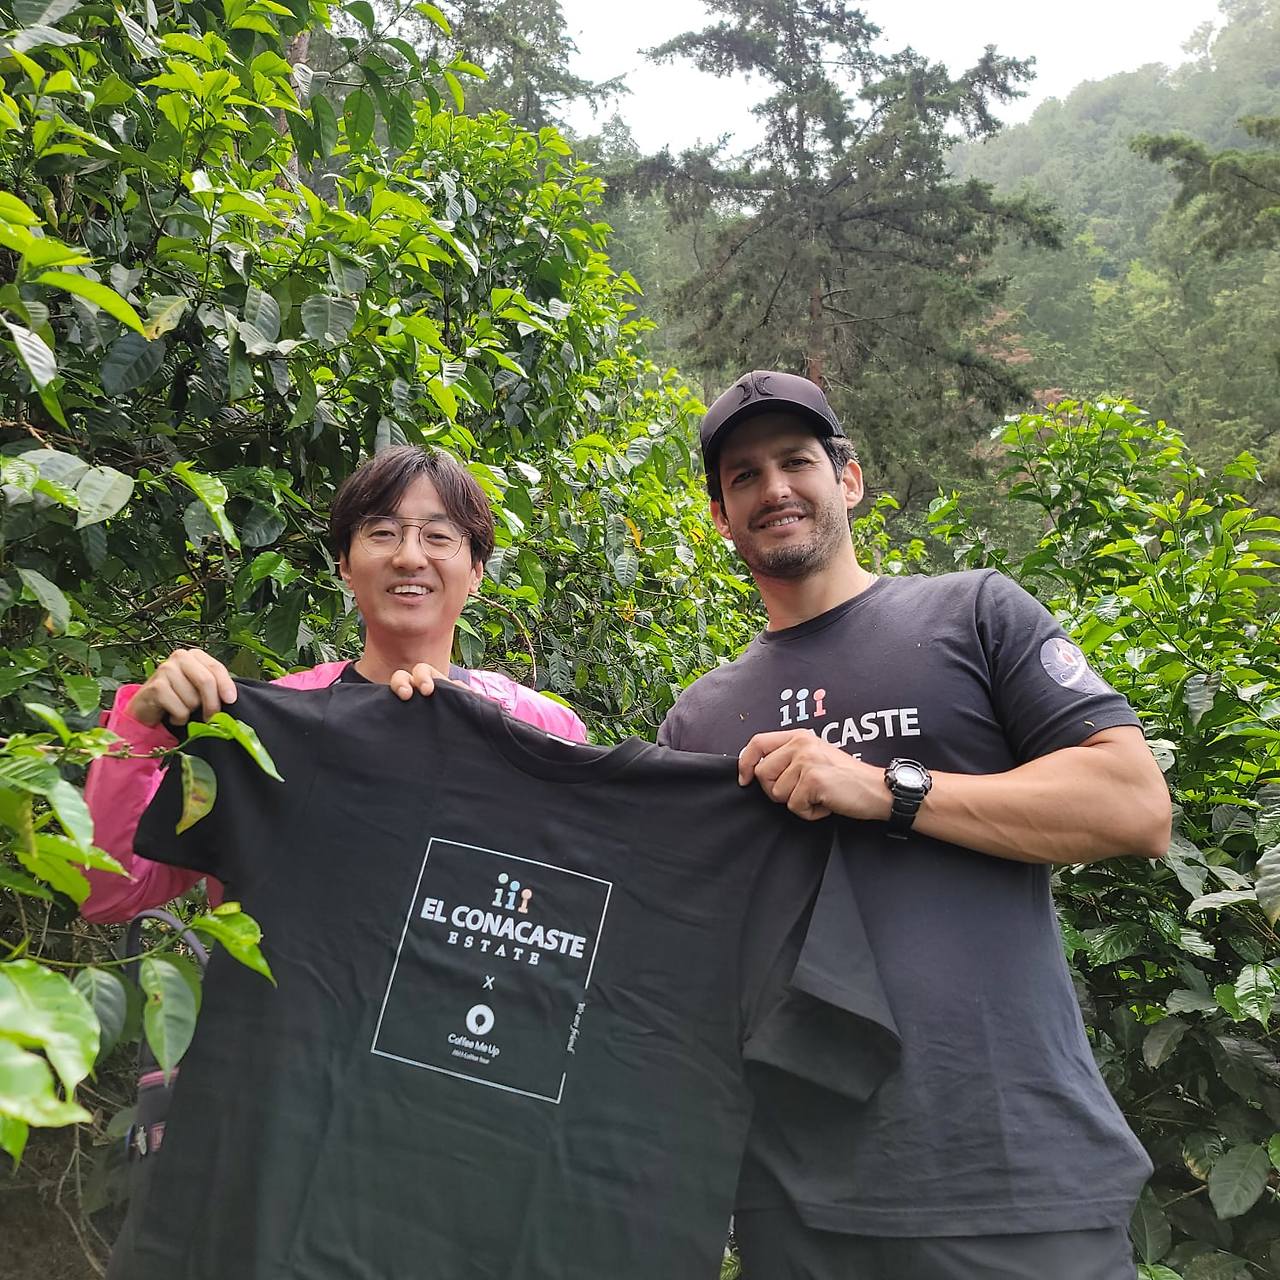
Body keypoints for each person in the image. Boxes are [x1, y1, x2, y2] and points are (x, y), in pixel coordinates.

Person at [658, 370, 1172, 1280]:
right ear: (720, 519)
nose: (774, 488)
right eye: (744, 476)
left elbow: (1132, 804)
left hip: (1016, 1171)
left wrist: (887, 788)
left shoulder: (975, 612)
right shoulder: (698, 719)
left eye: (796, 461)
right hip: (794, 1204)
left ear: (848, 479)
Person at [82, 445, 586, 923]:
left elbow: (575, 913)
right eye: (383, 532)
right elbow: (108, 894)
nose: (410, 557)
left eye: (438, 536)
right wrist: (138, 729)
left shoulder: (541, 729)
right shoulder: (265, 730)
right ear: (345, 564)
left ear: (475, 570)